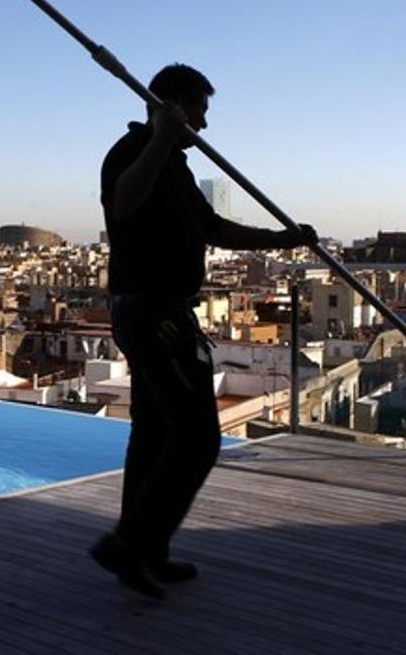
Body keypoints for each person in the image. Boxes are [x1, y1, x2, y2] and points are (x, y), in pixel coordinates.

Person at [91, 63, 317, 599]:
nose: (204, 126)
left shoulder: (177, 168)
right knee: (197, 438)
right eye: (199, 111)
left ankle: (144, 553)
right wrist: (162, 138)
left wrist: (284, 240)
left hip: (162, 312)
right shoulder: (131, 154)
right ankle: (129, 544)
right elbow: (123, 204)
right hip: (153, 315)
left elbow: (213, 228)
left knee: (154, 434)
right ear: (173, 105)